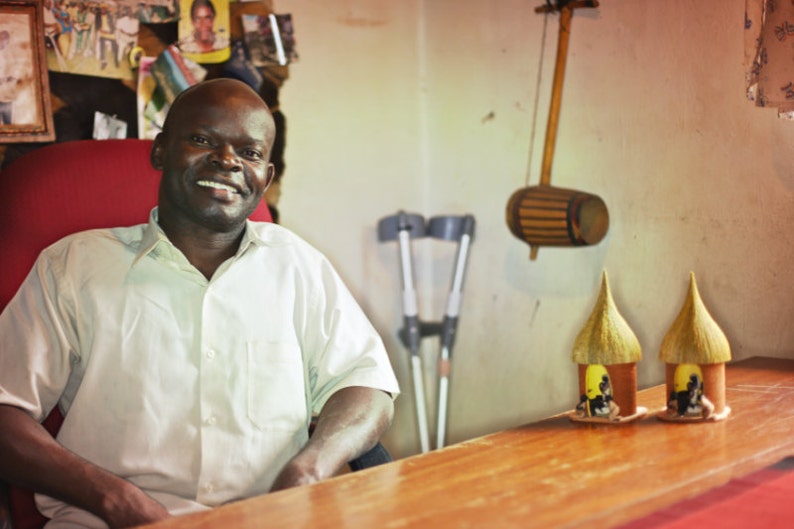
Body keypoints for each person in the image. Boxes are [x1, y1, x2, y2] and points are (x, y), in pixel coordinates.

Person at [0, 78, 399, 529]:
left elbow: (366, 387)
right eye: (202, 139)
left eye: (249, 152)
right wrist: (116, 500)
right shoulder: (73, 266)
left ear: (265, 178)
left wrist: (308, 469)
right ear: (160, 151)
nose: (227, 160)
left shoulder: (297, 264)